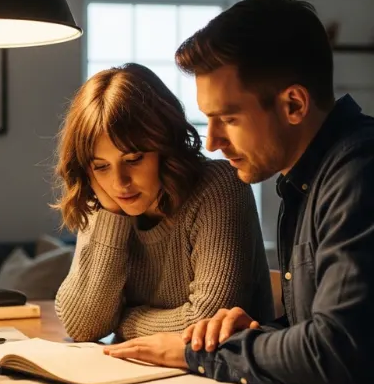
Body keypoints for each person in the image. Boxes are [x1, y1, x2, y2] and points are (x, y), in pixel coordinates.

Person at [102, 0, 374, 384]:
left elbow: (342, 356)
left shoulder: (365, 170)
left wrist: (201, 354)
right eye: (207, 119)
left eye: (227, 118)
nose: (211, 142)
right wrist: (257, 334)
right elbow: (323, 327)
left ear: (294, 104)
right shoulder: (304, 181)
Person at [52, 63, 274, 342]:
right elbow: (83, 327)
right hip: (135, 374)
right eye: (101, 166)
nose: (119, 182)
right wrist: (111, 213)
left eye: (133, 160)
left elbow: (206, 321)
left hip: (221, 378)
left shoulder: (219, 187)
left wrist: (123, 321)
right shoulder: (107, 199)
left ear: (165, 146)